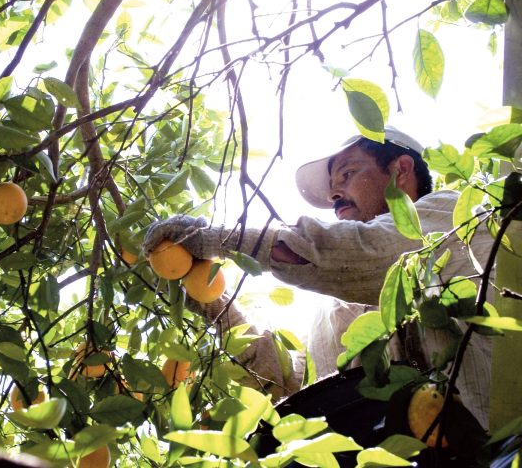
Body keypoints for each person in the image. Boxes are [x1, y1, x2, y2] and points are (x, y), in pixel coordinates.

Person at [142, 126, 495, 430]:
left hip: (476, 446)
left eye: (347, 174)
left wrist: (216, 239)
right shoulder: (336, 304)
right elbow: (288, 383)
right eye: (331, 189)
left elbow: (353, 252)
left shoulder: (450, 216)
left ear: (400, 170)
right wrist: (211, 305)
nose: (333, 195)